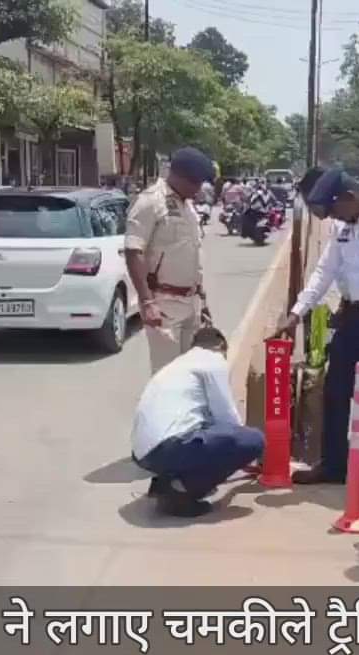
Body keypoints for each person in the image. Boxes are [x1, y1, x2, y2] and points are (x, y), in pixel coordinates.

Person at [271, 168, 359, 501]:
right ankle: (334, 464)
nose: (334, 218)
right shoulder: (343, 225)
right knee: (335, 390)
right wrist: (296, 313)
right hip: (353, 317)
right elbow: (325, 271)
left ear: (349, 197)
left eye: (335, 210)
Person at [132, 327, 266, 517]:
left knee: (209, 433)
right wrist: (253, 456)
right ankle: (180, 494)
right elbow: (228, 420)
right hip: (167, 448)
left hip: (143, 453)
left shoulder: (179, 364)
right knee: (254, 440)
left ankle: (167, 482)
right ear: (220, 346)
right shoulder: (213, 360)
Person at [125, 147, 216, 373]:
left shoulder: (187, 205)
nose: (197, 189)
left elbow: (190, 253)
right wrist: (147, 303)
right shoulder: (150, 202)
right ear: (178, 175)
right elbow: (133, 251)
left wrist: (201, 299)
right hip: (164, 304)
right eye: (194, 182)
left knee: (190, 374)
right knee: (167, 377)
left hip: (191, 303)